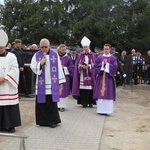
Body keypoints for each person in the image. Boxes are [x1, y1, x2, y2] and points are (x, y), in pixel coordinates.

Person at [30, 38, 66, 128]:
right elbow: (32, 66)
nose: (44, 49)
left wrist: (60, 82)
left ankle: (52, 121)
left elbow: (58, 68)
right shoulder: (36, 55)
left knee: (51, 103)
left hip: (52, 83)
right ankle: (42, 121)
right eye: (42, 47)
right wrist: (40, 63)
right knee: (41, 103)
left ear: (49, 46)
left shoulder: (55, 55)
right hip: (41, 84)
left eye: (46, 47)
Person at [0, 29, 21, 132]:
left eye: (1, 47)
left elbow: (15, 69)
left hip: (8, 85)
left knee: (9, 105)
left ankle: (10, 125)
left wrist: (6, 78)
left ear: (5, 46)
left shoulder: (11, 56)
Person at [93, 43, 118, 115]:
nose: (106, 50)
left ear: (110, 49)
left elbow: (114, 67)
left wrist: (106, 64)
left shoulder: (113, 58)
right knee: (100, 93)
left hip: (109, 79)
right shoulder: (99, 57)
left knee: (108, 93)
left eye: (107, 49)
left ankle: (107, 110)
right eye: (104, 49)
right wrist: (102, 65)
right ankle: (100, 110)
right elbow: (95, 66)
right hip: (101, 77)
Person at [72, 36, 96, 108]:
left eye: (86, 47)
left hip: (90, 74)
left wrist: (89, 66)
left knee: (90, 88)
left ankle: (90, 102)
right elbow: (77, 64)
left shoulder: (93, 55)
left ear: (89, 47)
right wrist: (81, 66)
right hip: (82, 74)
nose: (85, 48)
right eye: (84, 47)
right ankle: (84, 102)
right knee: (83, 88)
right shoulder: (80, 55)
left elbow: (95, 64)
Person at [57, 44, 74, 112]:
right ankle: (56, 106)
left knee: (64, 91)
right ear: (59, 49)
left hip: (65, 76)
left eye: (64, 50)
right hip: (56, 77)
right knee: (56, 91)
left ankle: (62, 106)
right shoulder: (55, 57)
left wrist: (64, 67)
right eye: (62, 50)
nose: (63, 51)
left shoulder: (68, 58)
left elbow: (71, 68)